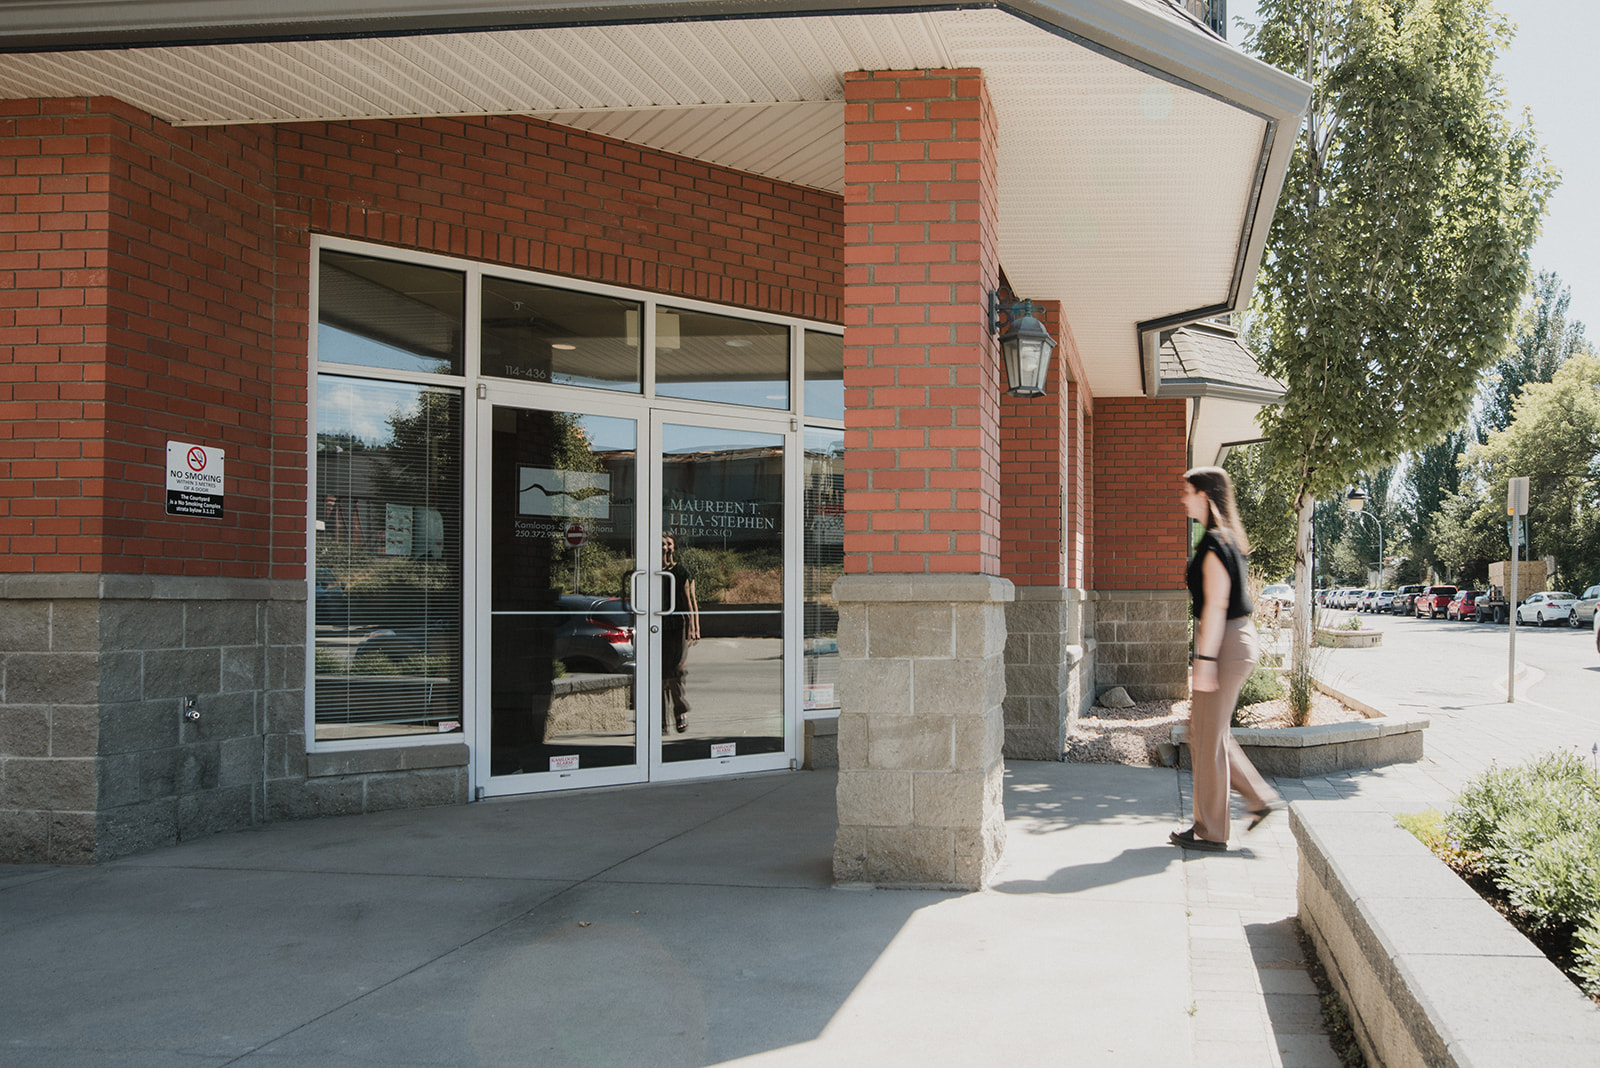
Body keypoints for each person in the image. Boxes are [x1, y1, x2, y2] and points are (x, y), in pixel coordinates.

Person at [1171, 466, 1283, 852]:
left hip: (1225, 645)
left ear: (1205, 495)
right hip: (1233, 642)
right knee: (1204, 733)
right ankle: (1259, 800)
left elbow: (1216, 606)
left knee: (1206, 736)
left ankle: (1212, 831)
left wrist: (1203, 661)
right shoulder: (1223, 539)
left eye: (1188, 491)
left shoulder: (1217, 543)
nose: (1183, 498)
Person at [660, 532, 700, 734]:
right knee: (658, 675)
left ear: (673, 547)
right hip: (657, 628)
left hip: (677, 627)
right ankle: (660, 720)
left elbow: (689, 600)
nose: (665, 547)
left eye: (668, 544)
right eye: (661, 544)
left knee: (676, 672)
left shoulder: (680, 571)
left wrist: (694, 626)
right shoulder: (652, 571)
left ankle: (679, 711)